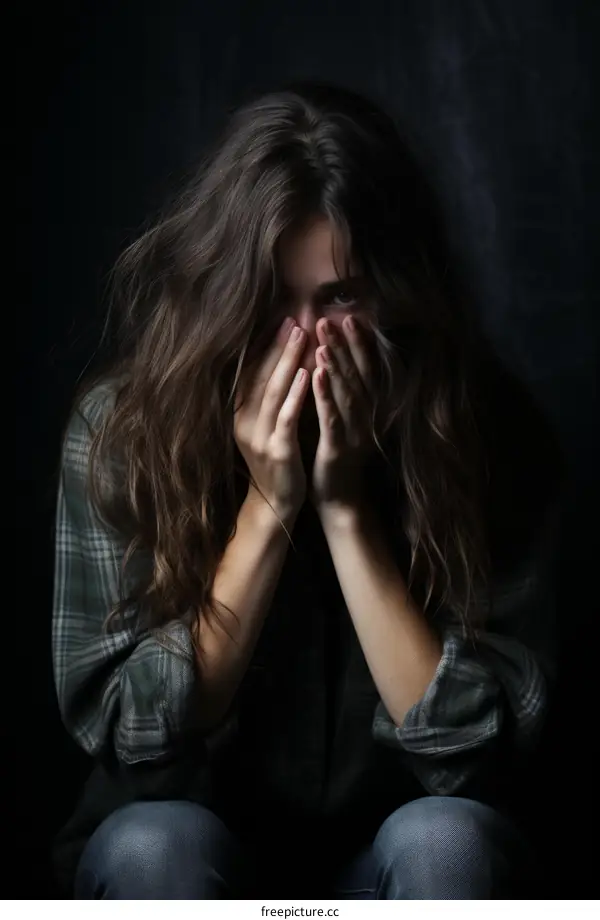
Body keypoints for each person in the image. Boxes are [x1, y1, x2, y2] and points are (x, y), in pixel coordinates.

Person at [51, 81, 560, 899]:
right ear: (223, 294)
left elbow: (477, 758)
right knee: (151, 845)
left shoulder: (491, 431)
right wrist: (269, 505)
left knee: (448, 843)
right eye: (269, 303)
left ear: (396, 292)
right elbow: (128, 738)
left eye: (340, 299)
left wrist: (347, 508)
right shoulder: (123, 434)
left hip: (397, 863)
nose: (302, 341)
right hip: (193, 851)